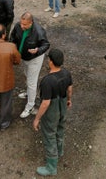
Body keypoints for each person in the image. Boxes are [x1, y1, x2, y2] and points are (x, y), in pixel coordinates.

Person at [32, 48, 73, 177]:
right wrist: (69, 100)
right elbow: (70, 89)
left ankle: (51, 167)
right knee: (60, 128)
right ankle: (59, 151)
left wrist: (37, 118)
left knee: (50, 135)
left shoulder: (47, 81)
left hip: (52, 111)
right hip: (63, 106)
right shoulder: (67, 73)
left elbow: (45, 103)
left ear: (50, 61)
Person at [10, 12, 50, 119]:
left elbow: (46, 44)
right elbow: (13, 37)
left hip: (34, 58)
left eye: (25, 25)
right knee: (26, 75)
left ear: (31, 22)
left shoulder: (38, 31)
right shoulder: (18, 26)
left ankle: (30, 106)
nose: (22, 26)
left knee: (32, 82)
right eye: (21, 23)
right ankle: (28, 93)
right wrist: (13, 47)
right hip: (24, 57)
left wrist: (37, 50)